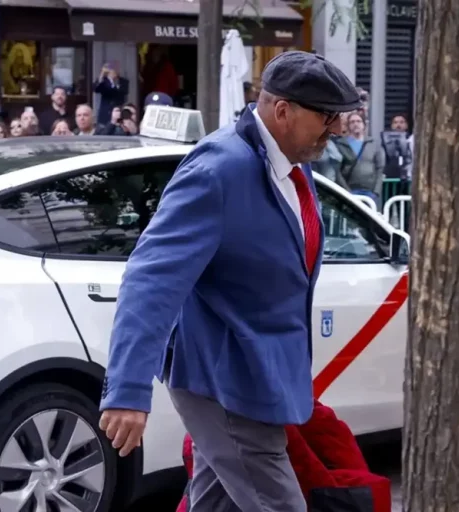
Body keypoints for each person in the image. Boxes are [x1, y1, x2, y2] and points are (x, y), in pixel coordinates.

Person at [98, 50, 361, 512]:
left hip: (260, 378)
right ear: (283, 111)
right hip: (224, 382)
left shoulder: (294, 165)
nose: (337, 129)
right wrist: (127, 390)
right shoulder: (219, 169)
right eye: (327, 116)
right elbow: (151, 278)